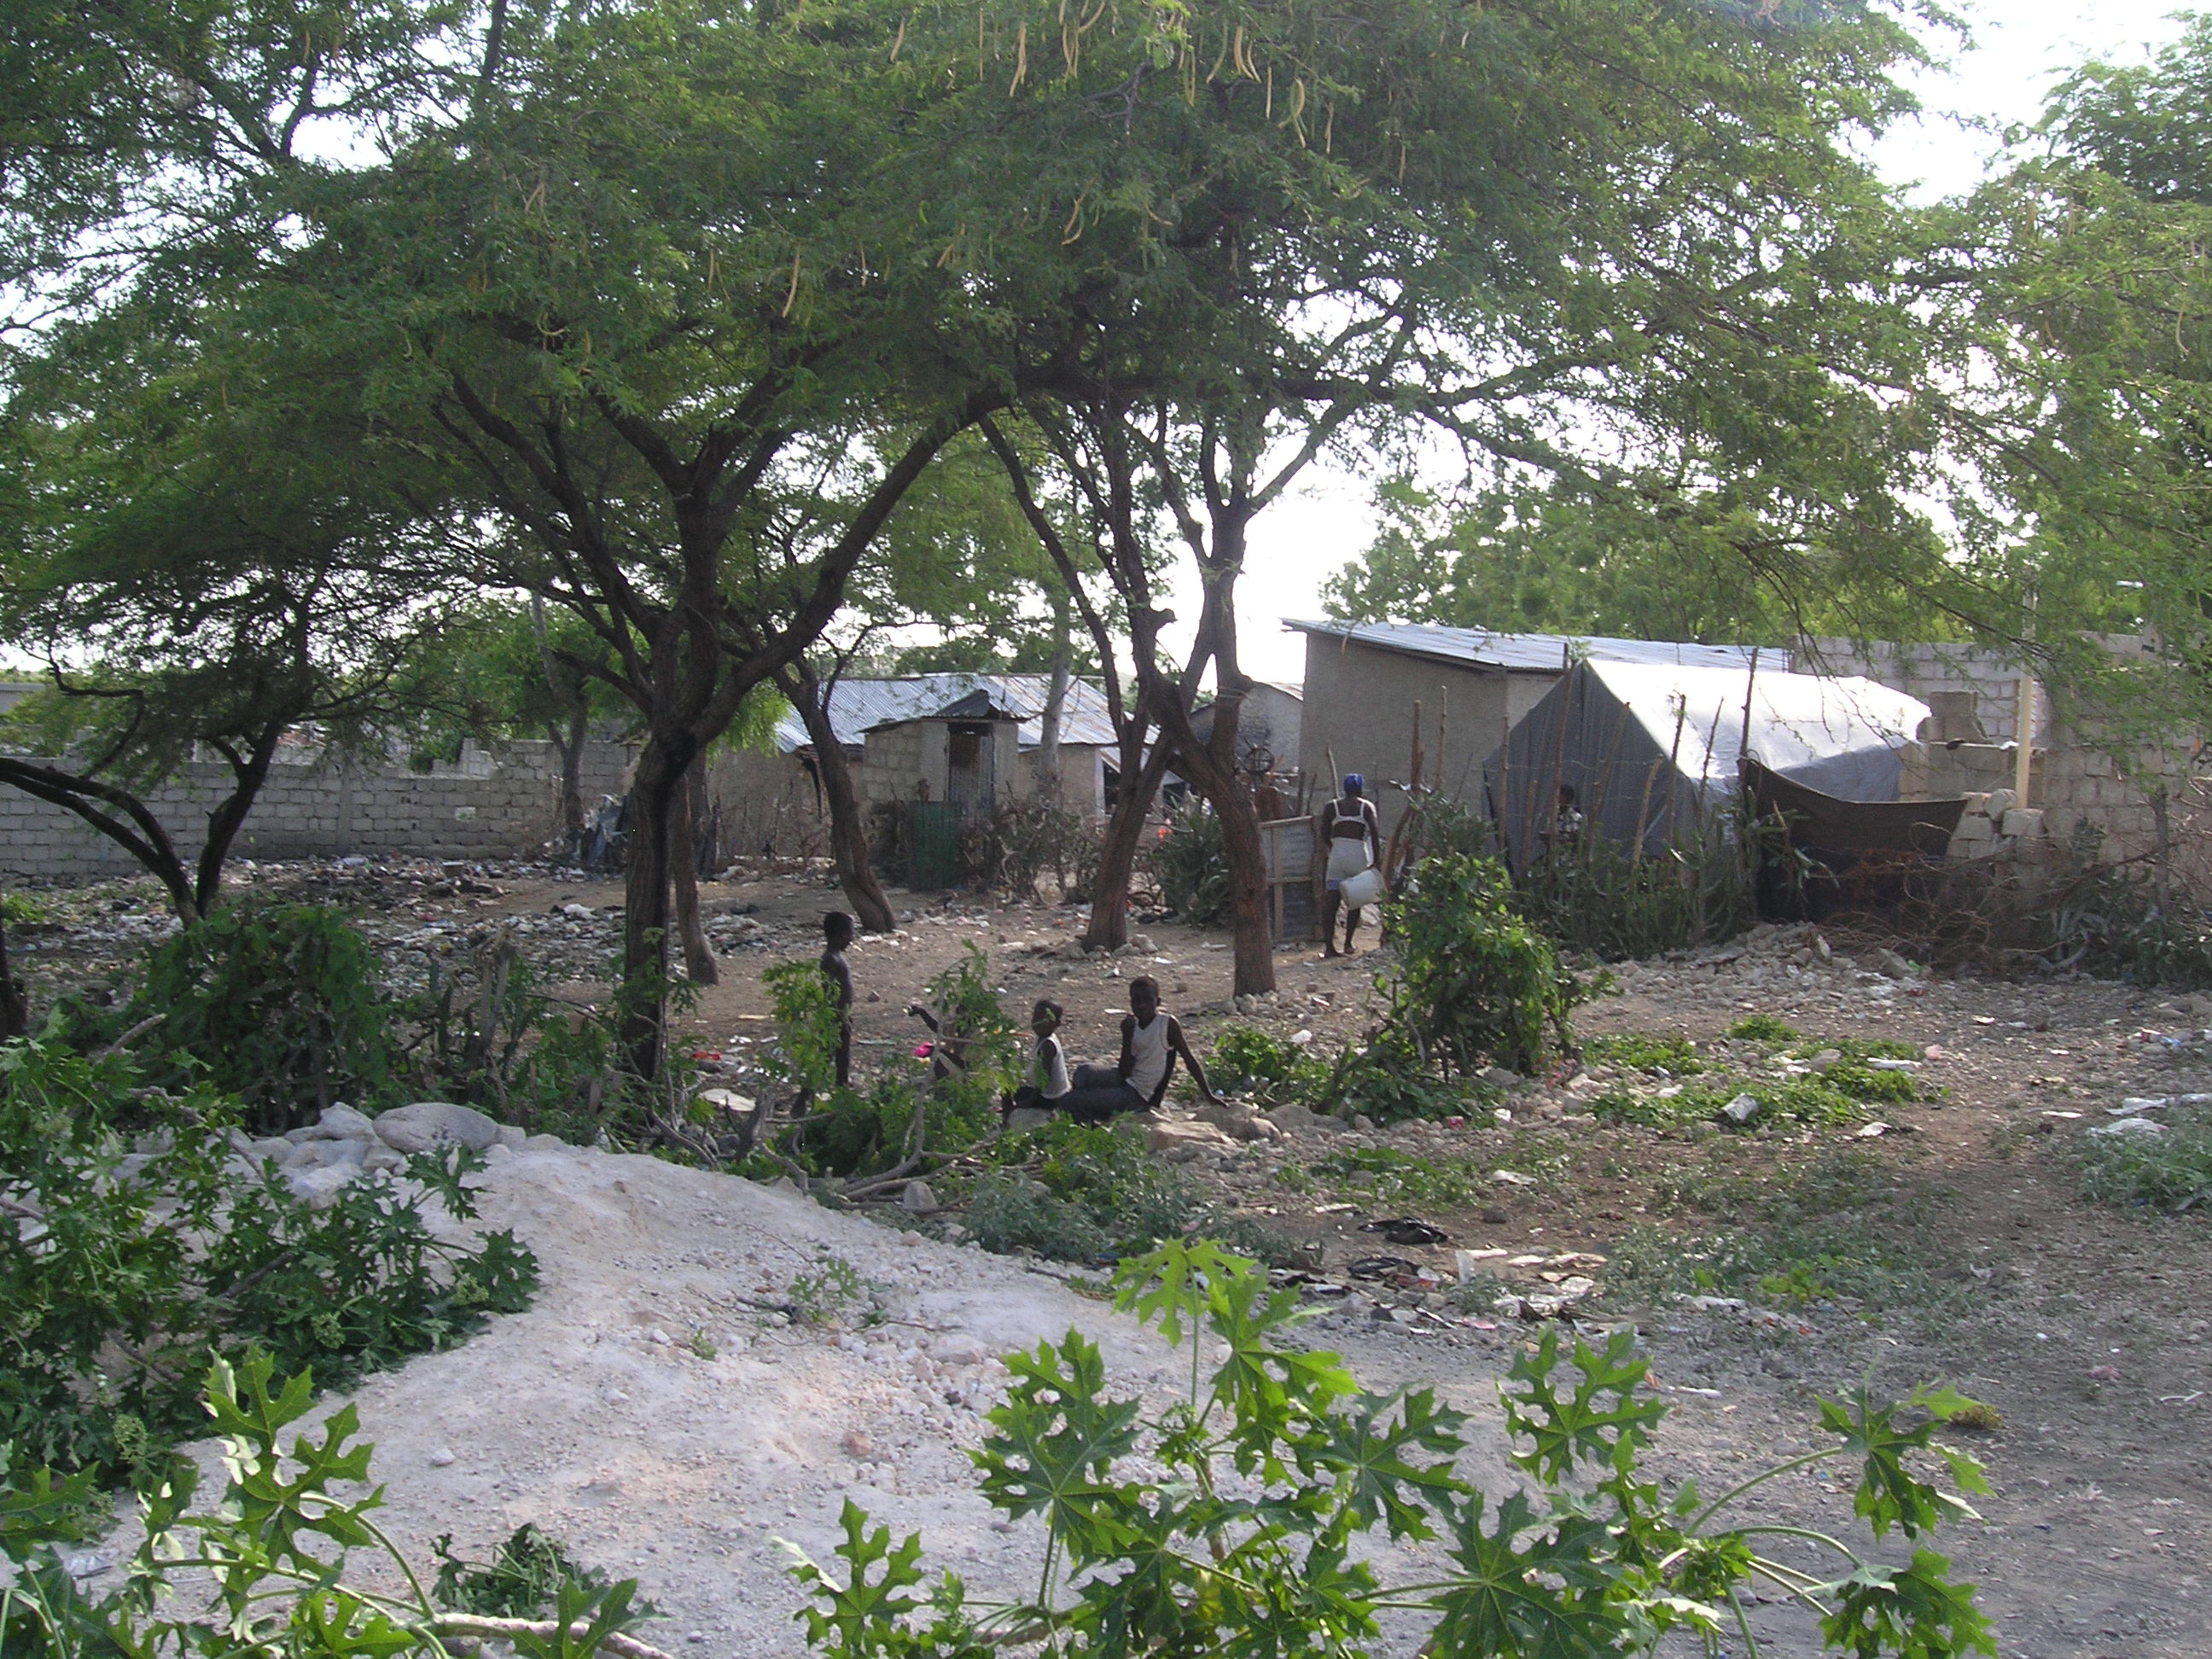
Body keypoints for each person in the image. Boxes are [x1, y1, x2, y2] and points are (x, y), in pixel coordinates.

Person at [1061, 976, 1222, 1124]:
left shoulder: (1166, 1024)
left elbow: (1189, 1059)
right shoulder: (1133, 1025)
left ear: (1158, 1002)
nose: (1141, 1006)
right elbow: (1124, 1071)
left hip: (1141, 1095)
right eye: (1136, 1001)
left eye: (1147, 1000)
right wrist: (1127, 1037)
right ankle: (1091, 1113)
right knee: (1083, 1073)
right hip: (1128, 1080)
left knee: (1073, 1100)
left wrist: (1208, 1095)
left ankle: (1090, 1123)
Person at [1318, 772, 1382, 958]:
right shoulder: (1366, 807)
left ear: (1344, 789)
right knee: (1355, 902)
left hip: (1337, 857)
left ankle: (1329, 947)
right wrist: (1376, 861)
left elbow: (1323, 834)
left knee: (1332, 902)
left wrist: (1333, 847)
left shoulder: (1331, 807)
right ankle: (1348, 944)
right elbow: (1375, 835)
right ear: (1360, 789)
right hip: (1358, 857)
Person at [1004, 998, 1073, 1116]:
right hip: (1052, 1092)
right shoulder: (1041, 1037)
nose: (1038, 1023)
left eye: (1045, 1020)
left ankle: (1008, 1116)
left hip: (1051, 1098)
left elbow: (1044, 1080)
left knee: (1006, 1089)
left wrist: (1029, 1102)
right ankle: (1009, 1113)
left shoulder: (1048, 1045)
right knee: (1009, 1084)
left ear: (1057, 1024)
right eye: (1036, 1018)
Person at [819, 911, 856, 1088]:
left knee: (842, 1056)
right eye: (850, 934)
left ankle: (842, 1087)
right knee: (826, 1057)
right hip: (835, 1017)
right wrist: (840, 1016)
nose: (851, 939)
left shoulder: (835, 957)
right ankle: (805, 1096)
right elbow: (829, 991)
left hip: (839, 1015)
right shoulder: (831, 960)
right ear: (841, 934)